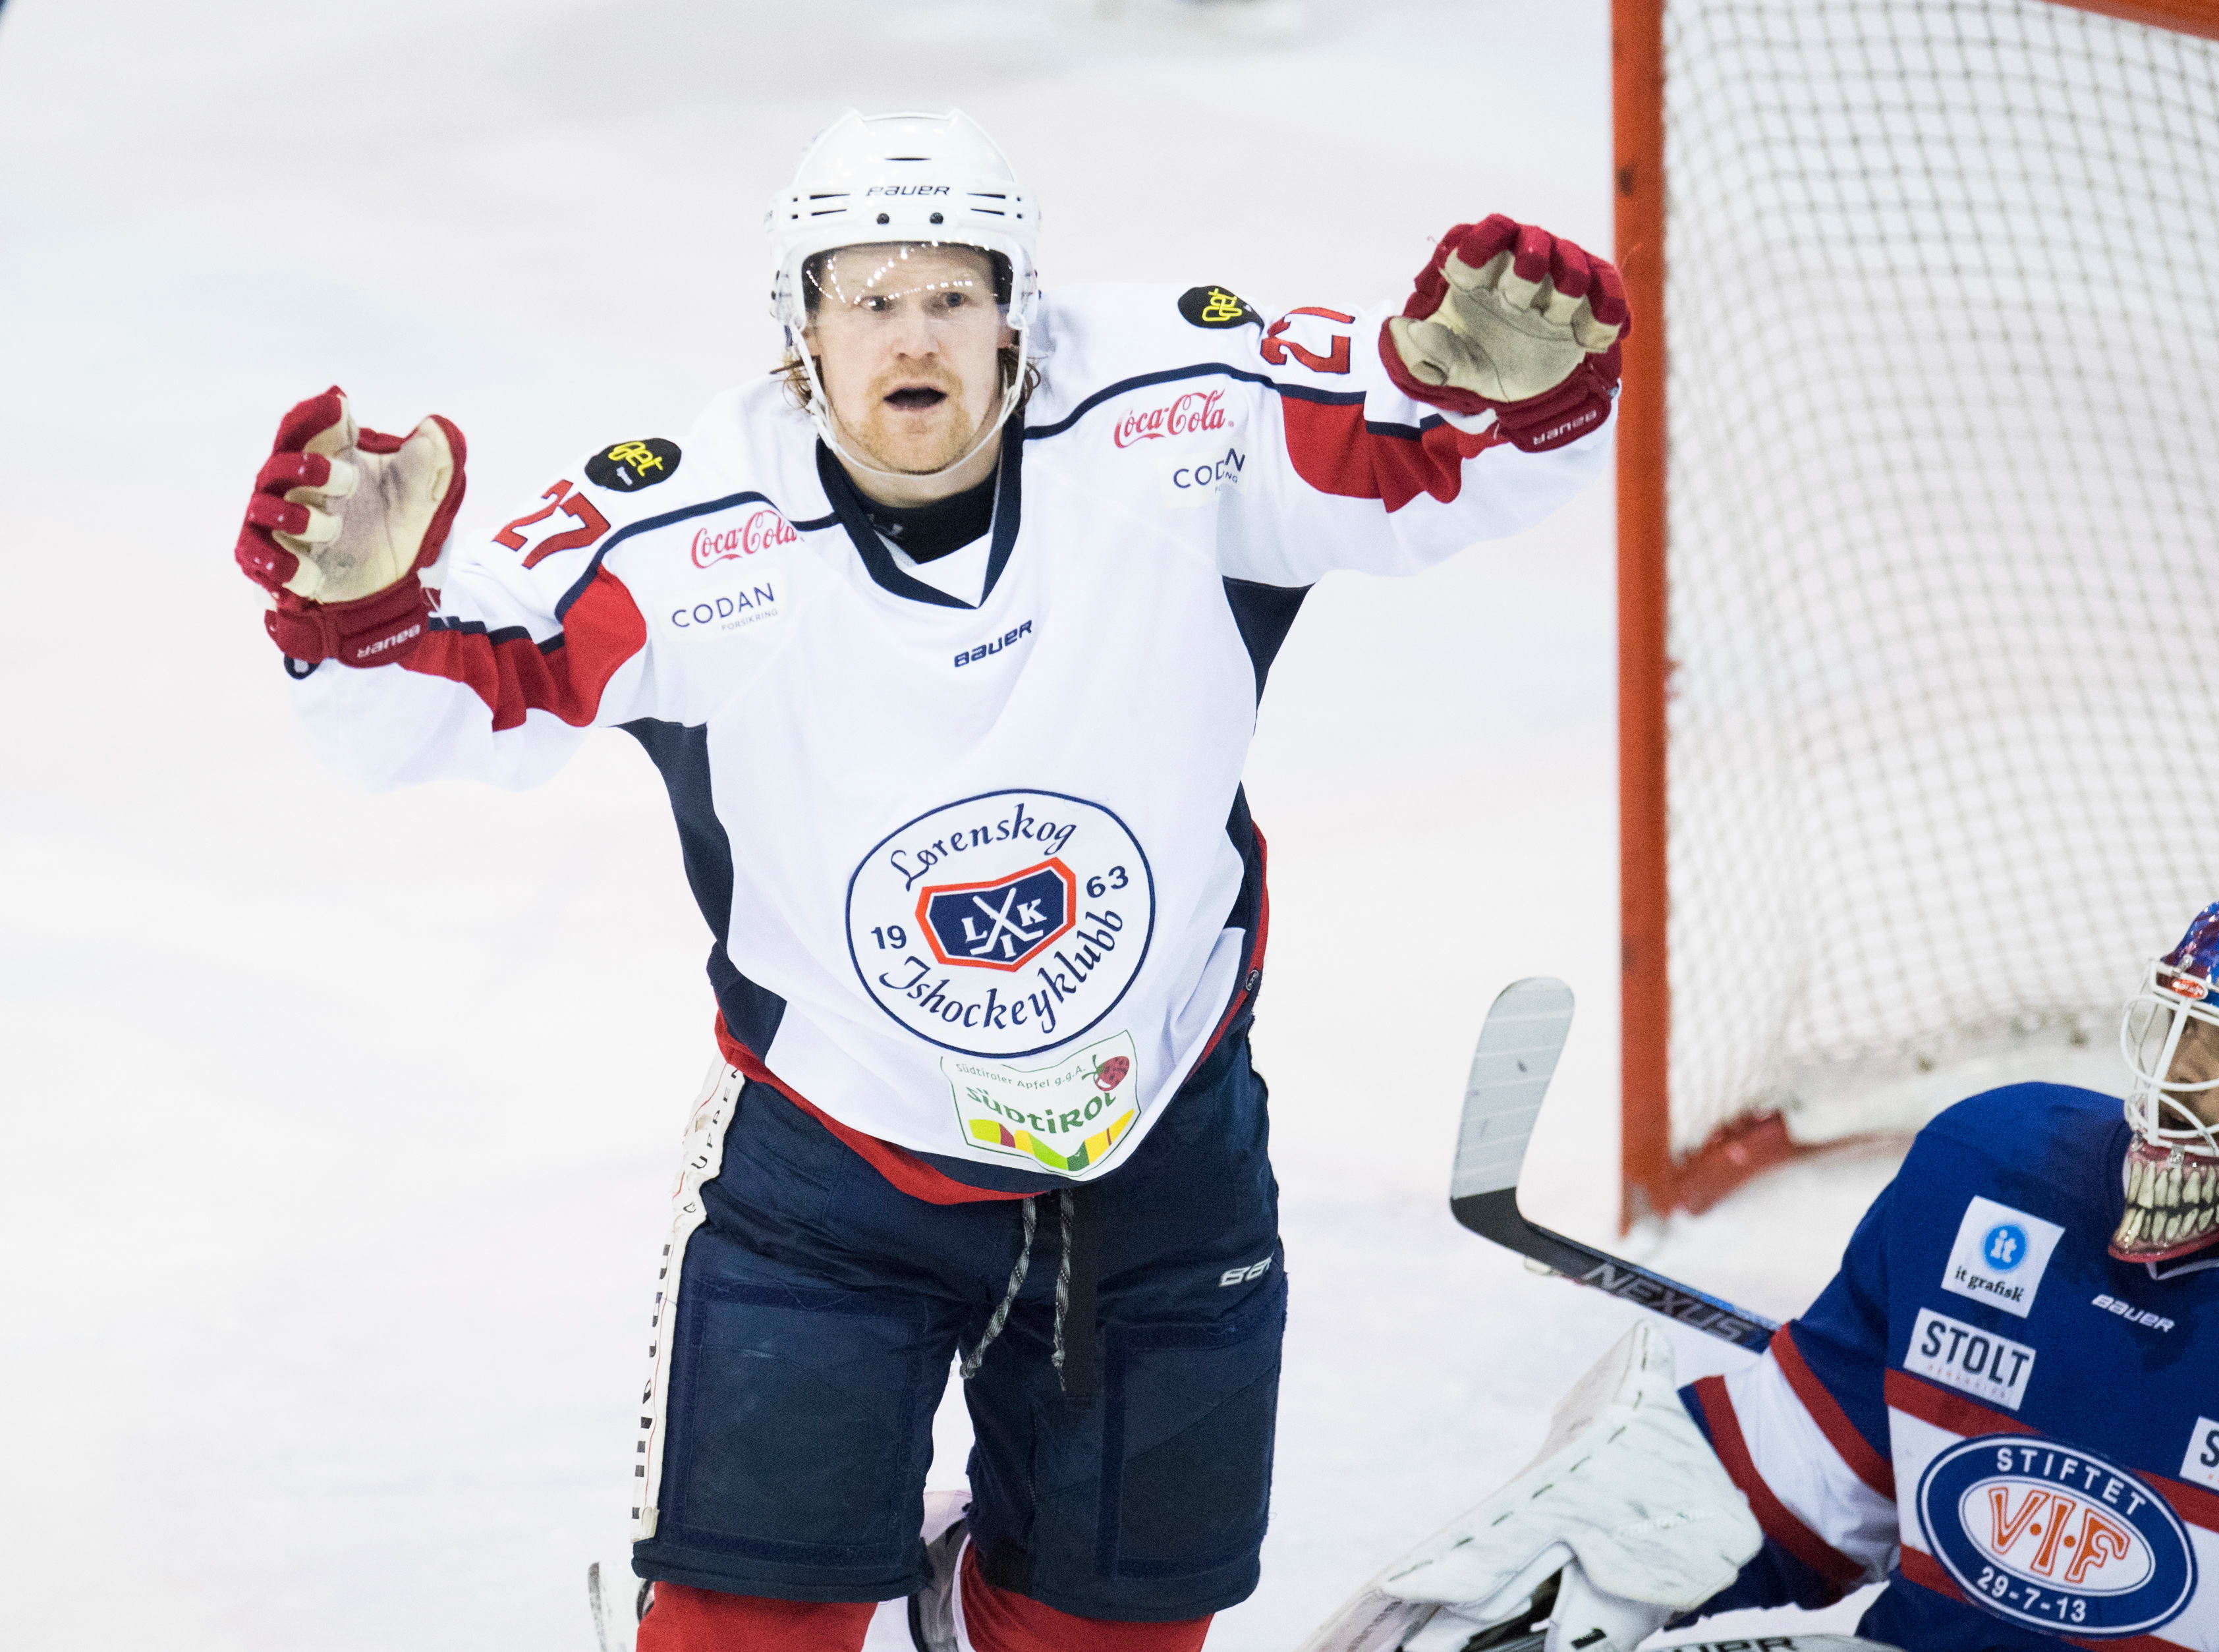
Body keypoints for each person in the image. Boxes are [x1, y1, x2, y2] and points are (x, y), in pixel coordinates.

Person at [230, 109, 1627, 1652]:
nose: (914, 334)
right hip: (836, 1174)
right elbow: (456, 689)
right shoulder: (694, 527)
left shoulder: (1176, 418)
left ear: (1017, 312)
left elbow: (1414, 445)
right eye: (870, 298)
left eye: (954, 294)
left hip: (1162, 1145)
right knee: (740, 1637)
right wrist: (361, 615)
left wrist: (1507, 395)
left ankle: (966, 1603)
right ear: (801, 331)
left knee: (1108, 1638)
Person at [1309, 875, 2219, 1652]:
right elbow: (1802, 1476)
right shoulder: (1996, 1170)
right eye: (2179, 1032)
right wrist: (1602, 1550)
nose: (2171, 1088)